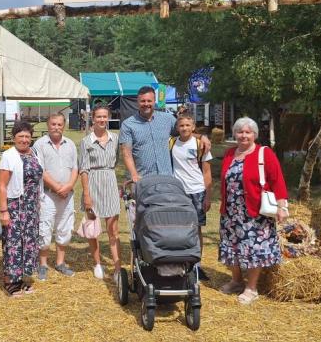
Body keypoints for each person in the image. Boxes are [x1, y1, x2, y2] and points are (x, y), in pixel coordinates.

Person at [218, 117, 289, 305]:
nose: (243, 135)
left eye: (248, 132)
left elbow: (278, 181)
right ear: (234, 134)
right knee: (231, 247)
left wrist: (282, 206)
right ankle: (236, 281)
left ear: (254, 135)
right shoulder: (229, 154)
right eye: (240, 132)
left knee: (253, 250)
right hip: (231, 212)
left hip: (254, 212)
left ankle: (251, 288)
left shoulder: (264, 154)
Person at [120, 86, 210, 182]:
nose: (146, 104)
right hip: (143, 178)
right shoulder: (128, 124)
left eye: (149, 101)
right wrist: (134, 175)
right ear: (138, 102)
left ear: (154, 101)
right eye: (143, 101)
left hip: (166, 177)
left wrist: (201, 137)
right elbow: (126, 153)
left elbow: (184, 133)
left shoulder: (167, 119)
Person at [0, 121, 44, 297]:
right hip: (15, 206)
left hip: (31, 207)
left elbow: (37, 180)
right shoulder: (8, 155)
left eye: (27, 136)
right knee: (13, 243)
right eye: (20, 136)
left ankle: (22, 278)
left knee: (28, 242)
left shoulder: (34, 154)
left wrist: (38, 202)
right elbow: (2, 185)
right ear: (14, 138)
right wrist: (4, 211)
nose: (24, 140)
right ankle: (9, 281)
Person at [33, 113, 78, 280]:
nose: (56, 127)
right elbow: (40, 171)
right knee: (45, 230)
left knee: (64, 228)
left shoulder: (71, 144)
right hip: (48, 195)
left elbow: (75, 168)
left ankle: (60, 263)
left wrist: (69, 186)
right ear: (47, 125)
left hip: (67, 195)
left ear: (64, 126)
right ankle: (43, 264)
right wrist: (58, 187)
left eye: (59, 124)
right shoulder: (40, 144)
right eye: (53, 124)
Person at [79, 105, 121, 280]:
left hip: (110, 182)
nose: (102, 120)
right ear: (93, 118)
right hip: (93, 184)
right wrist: (87, 195)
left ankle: (118, 267)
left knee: (113, 229)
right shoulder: (86, 142)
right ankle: (97, 263)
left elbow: (117, 160)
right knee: (93, 229)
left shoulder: (116, 139)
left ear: (109, 117)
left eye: (105, 117)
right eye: (98, 117)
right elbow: (83, 169)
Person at [170, 114, 213, 281]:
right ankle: (181, 261)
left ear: (193, 127)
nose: (185, 128)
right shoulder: (172, 143)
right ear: (177, 128)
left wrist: (208, 197)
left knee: (196, 229)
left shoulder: (199, 145)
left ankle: (197, 264)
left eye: (188, 125)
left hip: (197, 191)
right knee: (179, 228)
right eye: (181, 126)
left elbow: (207, 172)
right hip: (178, 192)